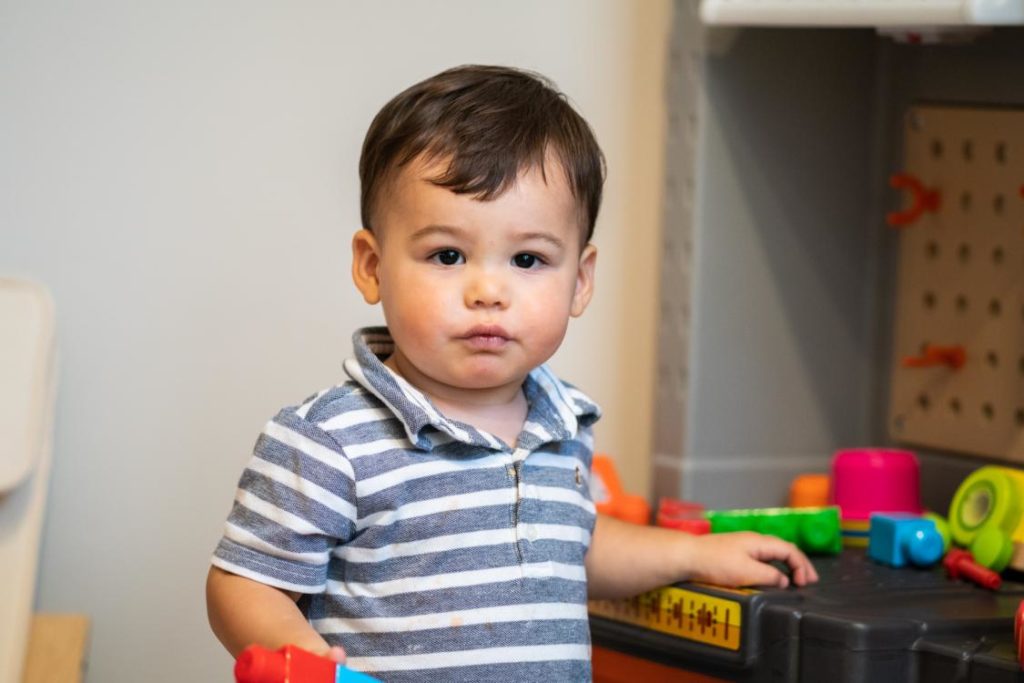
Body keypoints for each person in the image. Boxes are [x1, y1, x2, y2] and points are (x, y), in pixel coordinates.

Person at [206, 64, 818, 681]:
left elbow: (577, 545)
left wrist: (693, 554)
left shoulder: (565, 423)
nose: (489, 291)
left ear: (580, 281)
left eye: (527, 259)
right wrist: (298, 651)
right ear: (372, 267)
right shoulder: (328, 440)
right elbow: (244, 582)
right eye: (448, 254)